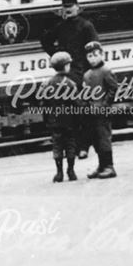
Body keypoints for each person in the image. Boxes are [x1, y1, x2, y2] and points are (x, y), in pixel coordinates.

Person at [41, 0, 99, 158]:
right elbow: (45, 39)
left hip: (82, 72)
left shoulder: (86, 26)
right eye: (65, 8)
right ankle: (74, 148)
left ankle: (84, 147)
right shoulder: (60, 26)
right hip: (67, 72)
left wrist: (90, 68)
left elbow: (94, 47)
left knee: (83, 112)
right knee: (70, 113)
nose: (68, 10)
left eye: (71, 7)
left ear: (77, 7)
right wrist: (56, 55)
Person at [41, 52, 79, 183]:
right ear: (66, 66)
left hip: (54, 122)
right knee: (70, 145)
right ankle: (71, 171)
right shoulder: (70, 84)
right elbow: (76, 104)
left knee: (57, 146)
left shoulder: (47, 84)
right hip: (70, 122)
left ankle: (59, 173)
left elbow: (44, 105)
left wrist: (46, 121)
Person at [83, 41, 118, 179]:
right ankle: (101, 165)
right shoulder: (87, 74)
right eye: (90, 56)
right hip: (91, 111)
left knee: (104, 138)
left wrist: (105, 104)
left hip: (103, 111)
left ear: (102, 55)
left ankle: (109, 166)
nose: (92, 58)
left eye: (95, 55)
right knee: (96, 139)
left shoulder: (106, 71)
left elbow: (113, 89)